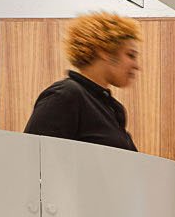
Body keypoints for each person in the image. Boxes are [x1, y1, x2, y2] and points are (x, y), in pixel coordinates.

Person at [22, 12, 141, 151]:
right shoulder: (65, 95)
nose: (136, 65)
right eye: (130, 55)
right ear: (104, 51)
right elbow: (36, 161)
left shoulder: (113, 108)